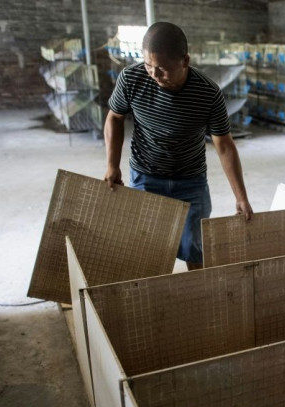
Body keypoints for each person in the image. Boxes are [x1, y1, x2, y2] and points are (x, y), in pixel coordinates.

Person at [103, 21, 253, 270]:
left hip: (191, 181)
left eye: (162, 69)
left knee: (196, 248)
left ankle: (196, 295)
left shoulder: (208, 93)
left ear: (185, 60)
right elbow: (114, 118)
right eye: (149, 66)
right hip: (145, 175)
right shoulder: (131, 79)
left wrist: (241, 197)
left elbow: (224, 145)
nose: (154, 74)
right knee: (149, 249)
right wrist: (111, 164)